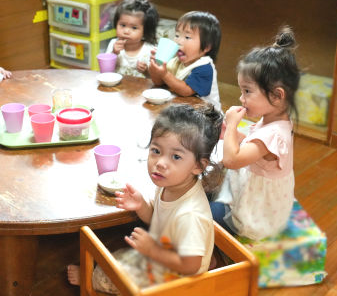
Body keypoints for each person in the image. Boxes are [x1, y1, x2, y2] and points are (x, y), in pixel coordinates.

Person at [68, 103, 223, 293]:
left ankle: (90, 278)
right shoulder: (172, 185)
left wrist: (153, 251)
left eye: (175, 157)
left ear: (198, 166)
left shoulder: (190, 214)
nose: (160, 163)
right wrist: (142, 205)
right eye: (156, 151)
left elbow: (191, 265)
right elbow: (159, 219)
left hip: (178, 284)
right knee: (118, 257)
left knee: (108, 273)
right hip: (166, 259)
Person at [211, 26, 300, 241]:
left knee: (204, 215)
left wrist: (232, 126)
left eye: (247, 91)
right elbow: (252, 144)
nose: (242, 99)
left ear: (277, 96)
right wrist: (232, 135)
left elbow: (232, 160)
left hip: (258, 216)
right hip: (256, 196)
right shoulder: (272, 121)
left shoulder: (274, 135)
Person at [148, 11, 222, 110]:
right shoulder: (176, 61)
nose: (178, 41)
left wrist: (165, 74)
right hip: (183, 109)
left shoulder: (204, 67)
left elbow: (186, 91)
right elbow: (159, 82)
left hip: (205, 116)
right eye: (177, 35)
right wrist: (156, 65)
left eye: (187, 37)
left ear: (206, 48)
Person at [105, 0, 159, 78]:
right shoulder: (113, 44)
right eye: (122, 25)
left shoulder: (150, 50)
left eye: (134, 28)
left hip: (140, 89)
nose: (126, 31)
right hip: (116, 89)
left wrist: (146, 71)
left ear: (145, 31)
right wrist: (114, 53)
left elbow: (156, 79)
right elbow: (105, 71)